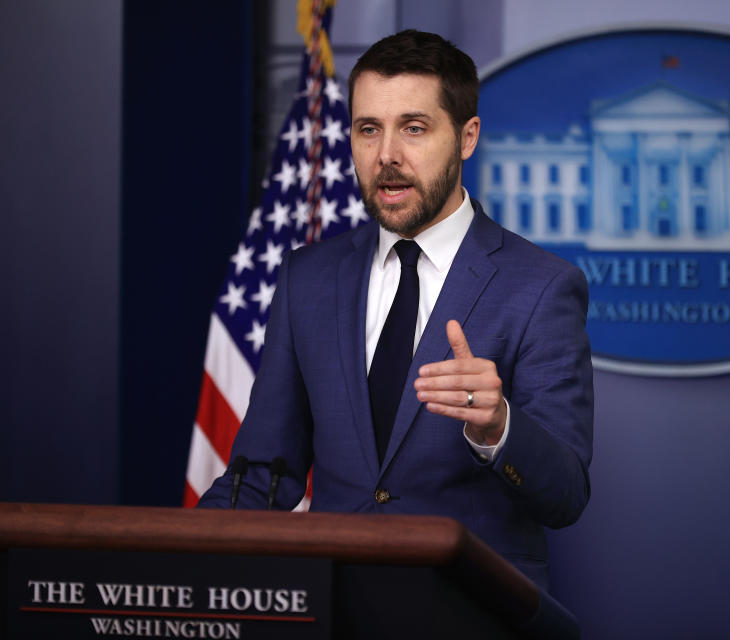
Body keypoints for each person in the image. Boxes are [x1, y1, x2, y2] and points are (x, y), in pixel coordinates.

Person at [198, 30, 593, 590]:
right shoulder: (307, 277)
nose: (387, 156)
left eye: (414, 128)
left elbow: (566, 495)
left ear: (467, 137)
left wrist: (499, 425)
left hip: (471, 613)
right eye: (368, 130)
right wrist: (175, 564)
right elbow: (265, 474)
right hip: (332, 608)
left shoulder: (542, 287)